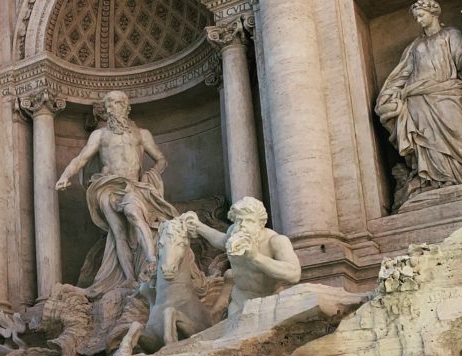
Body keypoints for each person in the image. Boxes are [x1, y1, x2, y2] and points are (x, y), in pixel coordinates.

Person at [56, 90, 178, 298]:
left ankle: (151, 259)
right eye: (109, 104)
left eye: (116, 103)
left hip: (134, 186)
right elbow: (81, 159)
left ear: (126, 106)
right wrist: (65, 176)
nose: (112, 108)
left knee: (133, 213)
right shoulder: (100, 135)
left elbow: (161, 159)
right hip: (107, 186)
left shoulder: (142, 134)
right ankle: (130, 279)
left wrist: (152, 174)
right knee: (118, 232)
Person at [376, 1, 462, 200]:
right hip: (417, 100)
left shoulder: (451, 35)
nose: (419, 20)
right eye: (416, 17)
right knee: (426, 141)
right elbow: (402, 74)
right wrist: (388, 95)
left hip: (448, 95)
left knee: (459, 133)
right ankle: (435, 180)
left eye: (421, 15)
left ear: (433, 12)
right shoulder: (415, 46)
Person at [183, 197, 301, 317]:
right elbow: (221, 241)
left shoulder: (276, 241)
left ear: (260, 223)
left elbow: (294, 274)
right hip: (239, 300)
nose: (242, 226)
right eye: (239, 221)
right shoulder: (233, 232)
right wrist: (198, 226)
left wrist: (255, 257)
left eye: (249, 221)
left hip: (268, 300)